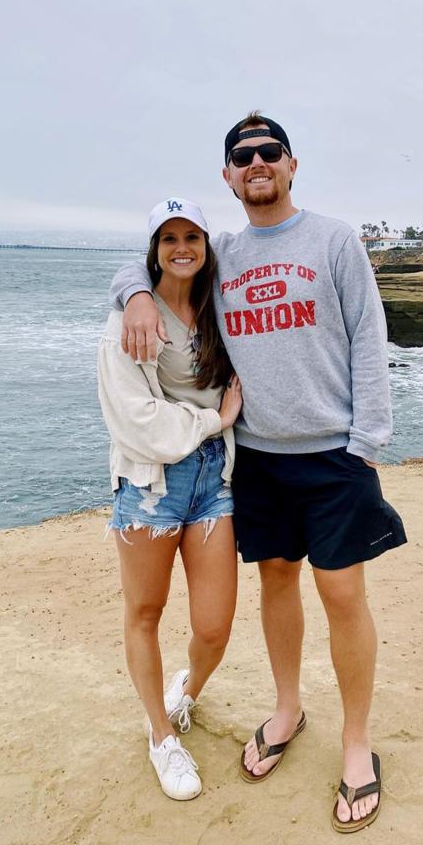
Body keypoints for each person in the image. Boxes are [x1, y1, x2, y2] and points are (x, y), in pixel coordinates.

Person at [110, 113, 406, 832]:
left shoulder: (334, 239)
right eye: (243, 156)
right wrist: (137, 294)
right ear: (228, 176)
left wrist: (367, 442)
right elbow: (146, 264)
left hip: (333, 453)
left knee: (342, 592)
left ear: (292, 164)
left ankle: (358, 742)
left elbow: (370, 336)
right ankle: (287, 706)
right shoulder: (227, 252)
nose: (257, 163)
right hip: (260, 458)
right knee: (277, 580)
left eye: (269, 151)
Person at [97, 198, 243, 802]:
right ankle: (160, 734)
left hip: (214, 481)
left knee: (213, 627)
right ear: (153, 249)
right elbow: (138, 425)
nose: (181, 248)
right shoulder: (128, 324)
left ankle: (183, 696)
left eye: (192, 237)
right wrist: (214, 419)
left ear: (206, 245)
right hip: (152, 486)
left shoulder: (219, 304)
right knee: (146, 614)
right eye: (168, 238)